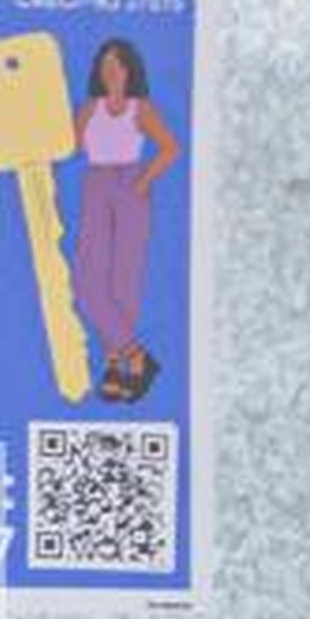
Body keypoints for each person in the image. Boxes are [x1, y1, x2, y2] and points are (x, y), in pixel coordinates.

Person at [73, 32, 181, 400]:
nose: (110, 72)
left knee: (124, 284)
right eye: (104, 65)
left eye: (117, 65)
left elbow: (170, 148)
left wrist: (142, 182)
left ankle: (117, 367)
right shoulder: (89, 108)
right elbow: (68, 145)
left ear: (129, 69)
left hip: (130, 184)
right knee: (88, 284)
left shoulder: (141, 109)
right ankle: (137, 357)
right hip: (96, 185)